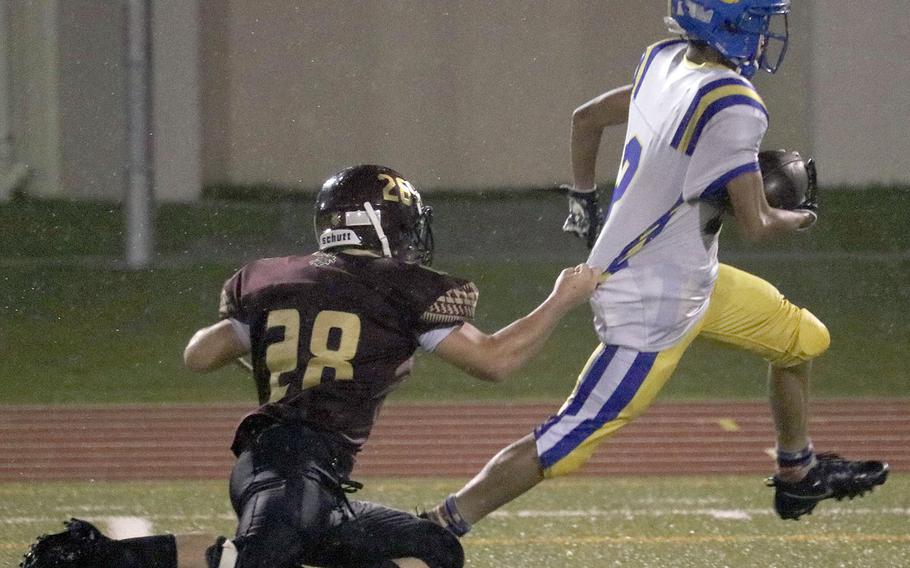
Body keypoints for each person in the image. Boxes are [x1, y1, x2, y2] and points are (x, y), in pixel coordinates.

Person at [422, 0, 888, 537]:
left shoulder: (663, 57)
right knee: (570, 436)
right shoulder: (735, 102)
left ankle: (797, 470)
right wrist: (800, 217)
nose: (768, 33)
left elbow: (586, 118)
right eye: (760, 21)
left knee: (803, 340)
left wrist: (581, 198)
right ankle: (439, 524)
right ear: (733, 26)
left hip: (691, 275)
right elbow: (757, 224)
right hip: (653, 301)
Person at [20, 164, 600, 568]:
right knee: (262, 561)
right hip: (288, 463)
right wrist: (562, 299)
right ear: (384, 223)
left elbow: (198, 355)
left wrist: (275, 348)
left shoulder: (280, 280)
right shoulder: (400, 289)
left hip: (307, 475)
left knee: (435, 550)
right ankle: (93, 554)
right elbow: (497, 362)